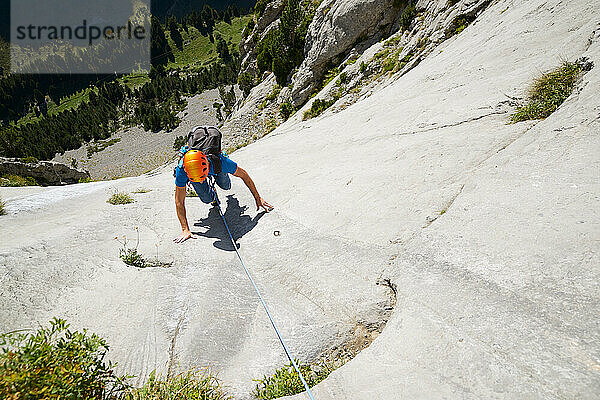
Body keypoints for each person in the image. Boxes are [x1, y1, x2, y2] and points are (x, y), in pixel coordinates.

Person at [173, 145, 273, 243]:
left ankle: (225, 189)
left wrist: (257, 197)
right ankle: (213, 195)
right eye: (197, 180)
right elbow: (179, 201)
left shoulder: (222, 162)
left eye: (201, 178)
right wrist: (185, 229)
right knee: (206, 199)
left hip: (216, 167)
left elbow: (244, 175)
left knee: (226, 186)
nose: (200, 182)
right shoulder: (182, 170)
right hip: (197, 172)